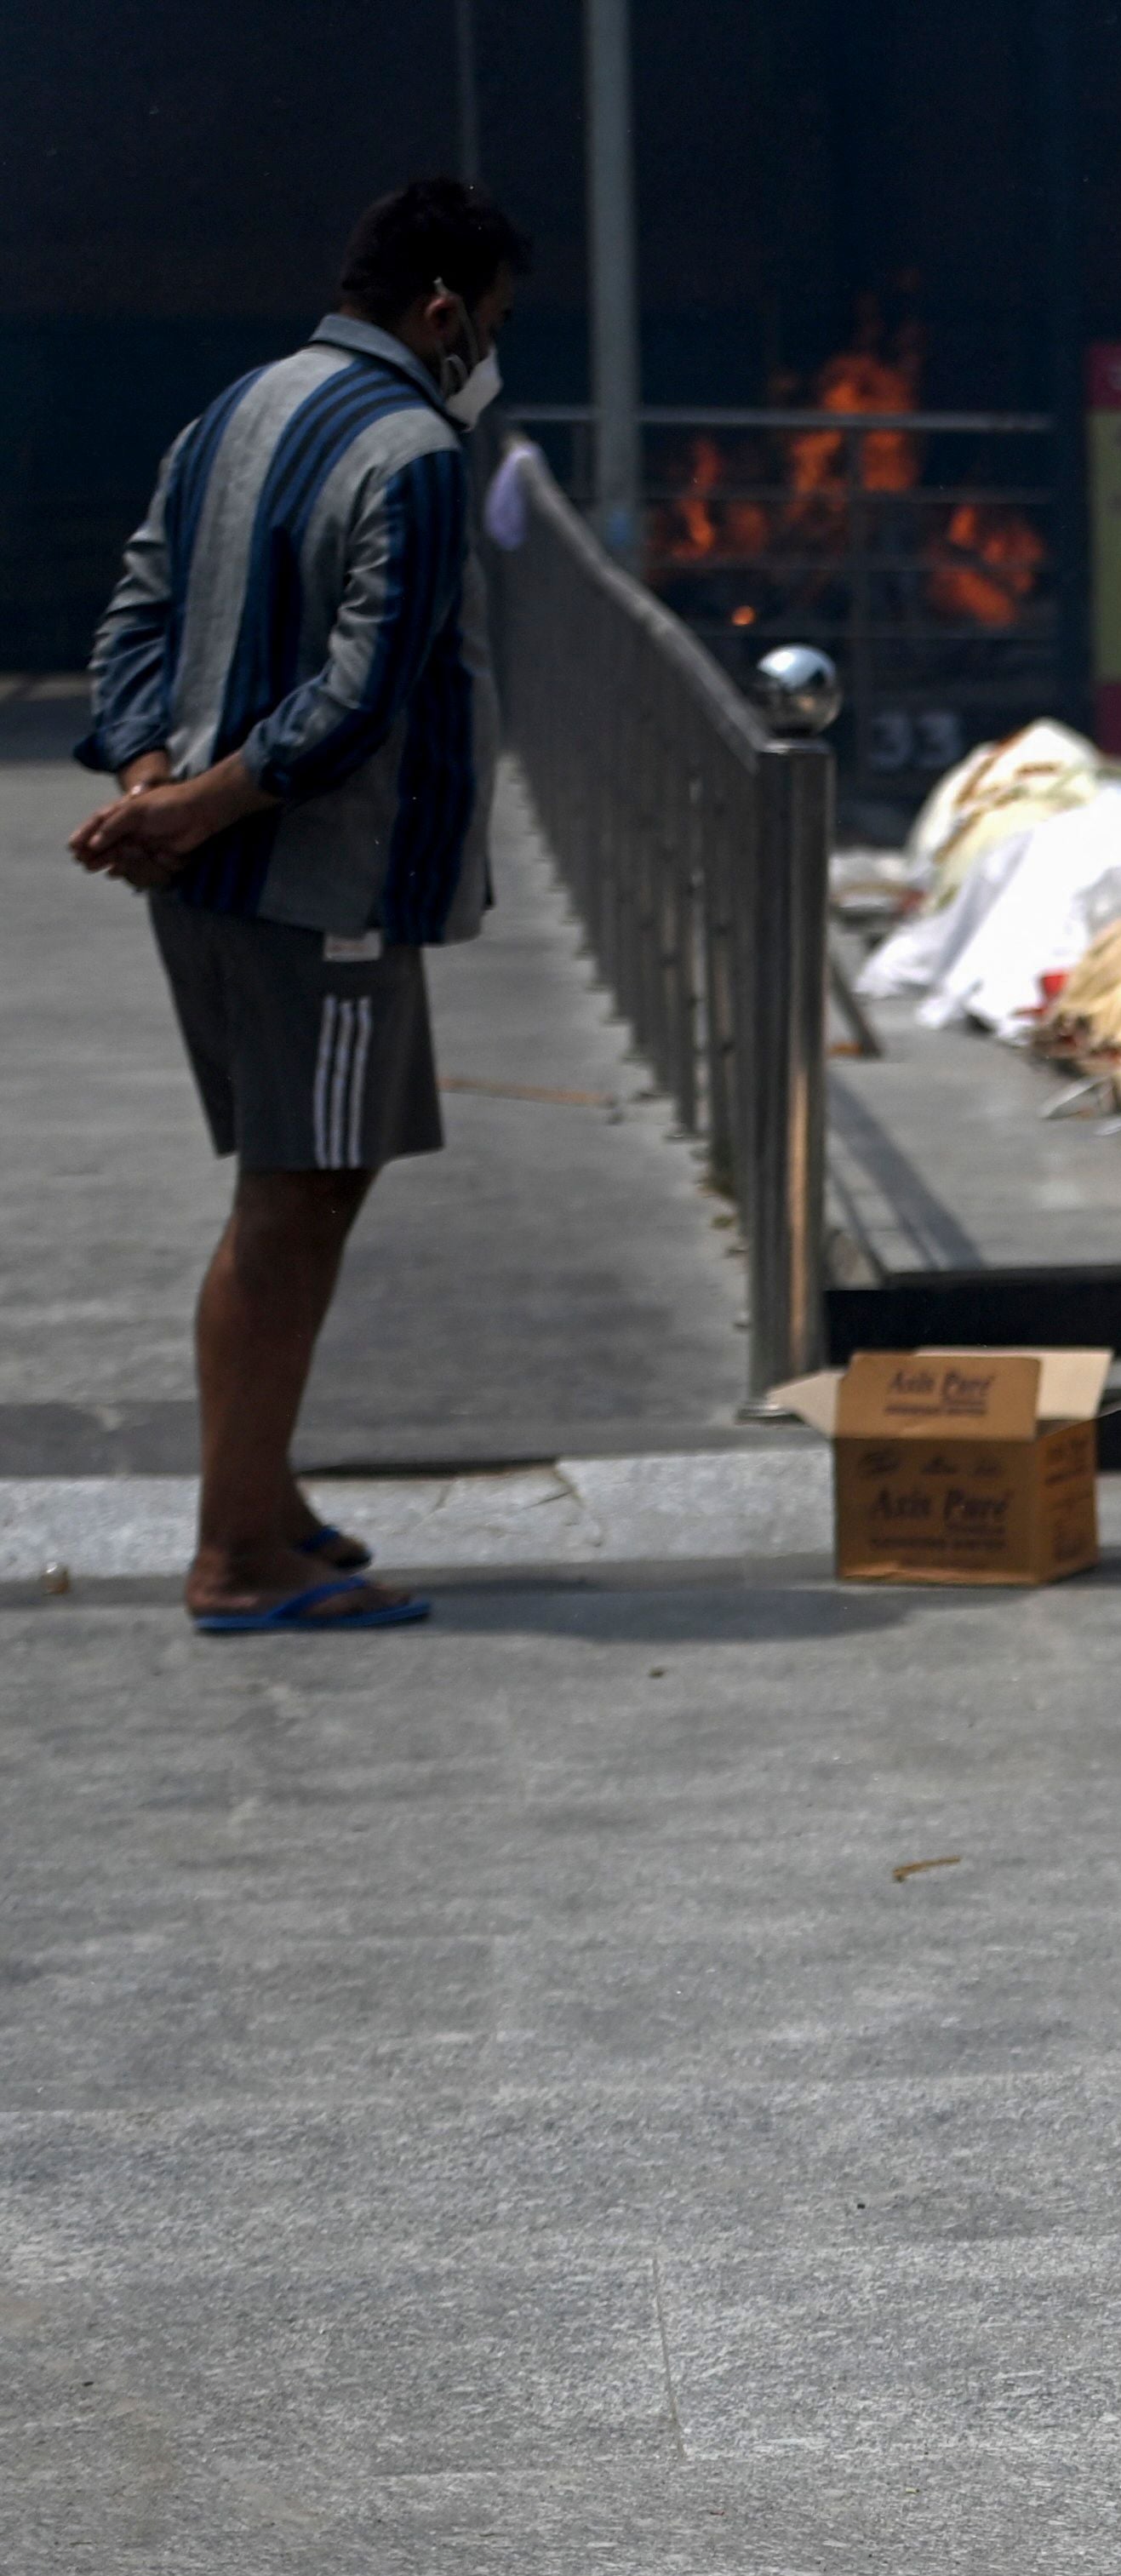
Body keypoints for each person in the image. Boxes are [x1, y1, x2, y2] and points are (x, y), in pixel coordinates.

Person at [69, 177, 526, 1635]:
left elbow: (134, 606)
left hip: (206, 877)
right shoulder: (417, 451)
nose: (490, 357)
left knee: (293, 1180)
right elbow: (359, 695)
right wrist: (194, 806)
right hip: (318, 885)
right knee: (299, 1197)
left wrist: (155, 781)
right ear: (443, 310)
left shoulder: (237, 405)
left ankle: (262, 1502)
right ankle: (238, 1555)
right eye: (493, 326)